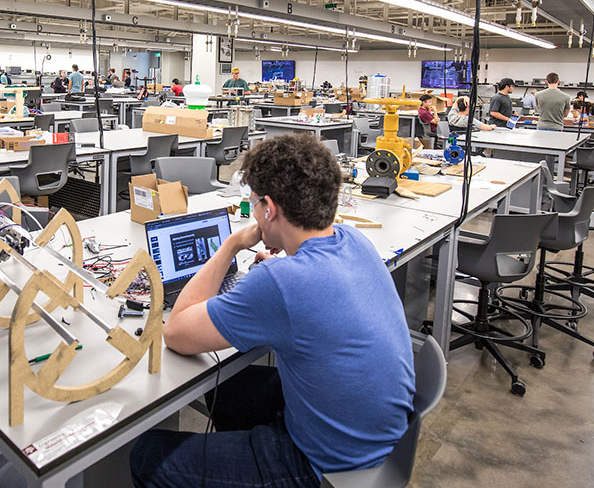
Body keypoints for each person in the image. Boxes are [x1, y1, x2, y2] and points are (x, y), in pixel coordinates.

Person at [130, 133, 415, 488]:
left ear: (269, 208)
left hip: (328, 467)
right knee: (228, 387)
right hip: (381, 441)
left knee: (146, 454)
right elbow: (311, 286)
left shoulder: (281, 282)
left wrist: (231, 245)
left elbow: (175, 334)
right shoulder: (353, 240)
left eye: (254, 205)